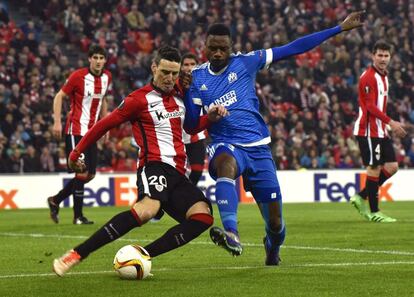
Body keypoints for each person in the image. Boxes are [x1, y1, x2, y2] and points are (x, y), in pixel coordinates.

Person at [184, 12, 364, 265]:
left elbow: (292, 48)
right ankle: (232, 233)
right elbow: (191, 127)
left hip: (258, 147)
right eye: (212, 48)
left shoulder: (247, 62)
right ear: (204, 45)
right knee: (225, 165)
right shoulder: (196, 78)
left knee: (276, 224)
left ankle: (272, 246)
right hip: (225, 143)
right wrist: (209, 117)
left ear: (231, 47)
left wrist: (338, 29)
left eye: (222, 48)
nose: (217, 53)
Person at [52, 45, 228, 276]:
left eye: (174, 73)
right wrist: (76, 153)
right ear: (154, 67)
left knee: (203, 216)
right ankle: (76, 254)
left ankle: (142, 255)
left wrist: (210, 119)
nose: (170, 78)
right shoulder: (138, 99)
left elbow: (191, 127)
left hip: (177, 172)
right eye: (165, 72)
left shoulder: (181, 94)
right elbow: (103, 125)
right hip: (153, 164)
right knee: (147, 210)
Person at [47, 45, 112, 225]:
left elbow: (103, 99)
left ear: (105, 60)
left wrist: (105, 125)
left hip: (92, 131)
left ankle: (56, 200)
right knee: (81, 174)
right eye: (95, 57)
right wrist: (57, 122)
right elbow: (59, 96)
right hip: (76, 130)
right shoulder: (78, 76)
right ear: (89, 59)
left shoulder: (107, 77)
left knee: (90, 175)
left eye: (101, 58)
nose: (98, 61)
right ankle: (78, 217)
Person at [350, 40, 407, 223]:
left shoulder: (384, 77)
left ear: (390, 57)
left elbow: (380, 106)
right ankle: (375, 211)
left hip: (381, 130)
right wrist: (391, 122)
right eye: (379, 55)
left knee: (392, 167)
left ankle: (361, 196)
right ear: (373, 56)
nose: (383, 59)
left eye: (386, 55)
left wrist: (386, 126)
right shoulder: (368, 77)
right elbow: (369, 106)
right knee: (374, 168)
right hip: (368, 131)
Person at [181, 53, 208, 185]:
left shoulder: (203, 83)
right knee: (178, 173)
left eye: (192, 64)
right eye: (186, 64)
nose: (189, 67)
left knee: (197, 171)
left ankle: (185, 197)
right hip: (178, 137)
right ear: (180, 67)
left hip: (197, 136)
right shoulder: (175, 85)